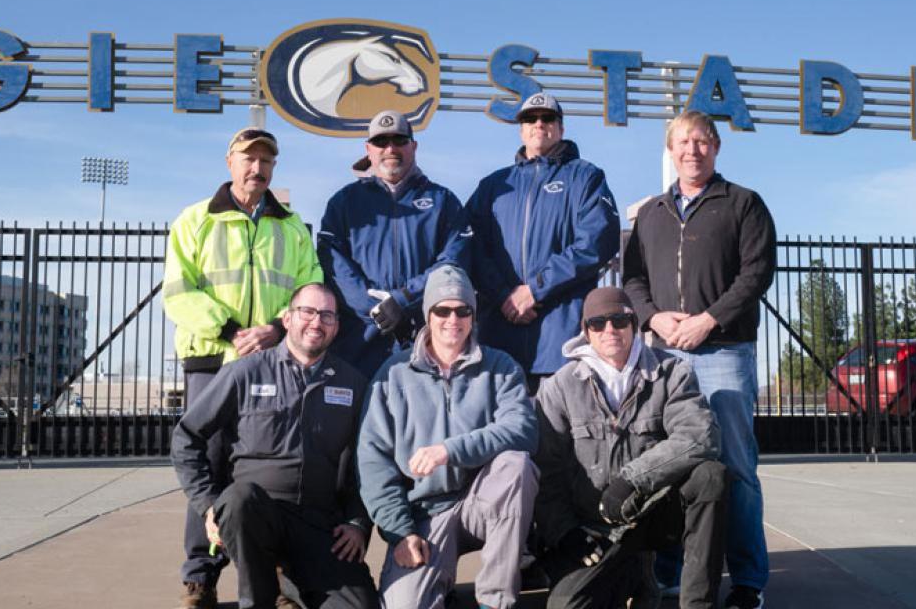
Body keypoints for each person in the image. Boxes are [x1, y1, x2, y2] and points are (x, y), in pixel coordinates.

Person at [163, 126, 325, 609]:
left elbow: (309, 286)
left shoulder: (293, 227)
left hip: (274, 359)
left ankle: (276, 575)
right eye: (248, 159)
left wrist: (276, 330)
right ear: (230, 161)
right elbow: (178, 292)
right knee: (209, 467)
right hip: (214, 361)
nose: (257, 169)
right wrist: (235, 331)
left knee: (270, 465)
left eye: (266, 161)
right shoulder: (194, 221)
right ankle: (201, 576)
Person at [622, 110, 776, 609]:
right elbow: (632, 280)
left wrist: (707, 320)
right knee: (668, 465)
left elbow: (755, 274)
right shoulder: (650, 214)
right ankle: (671, 571)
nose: (693, 150)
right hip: (663, 357)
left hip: (724, 353)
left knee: (734, 467)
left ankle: (748, 580)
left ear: (716, 148)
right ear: (671, 150)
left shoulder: (743, 205)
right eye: (683, 142)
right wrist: (652, 319)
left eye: (702, 141)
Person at [171, 283, 378, 609]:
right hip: (256, 519)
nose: (316, 322)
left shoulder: (352, 384)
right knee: (240, 499)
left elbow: (368, 461)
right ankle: (262, 597)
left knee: (361, 606)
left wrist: (357, 522)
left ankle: (289, 584)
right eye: (307, 312)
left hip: (318, 523)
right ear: (287, 319)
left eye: (327, 315)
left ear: (336, 326)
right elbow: (187, 436)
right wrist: (208, 505)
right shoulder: (245, 372)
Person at [358, 264, 539, 609]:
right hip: (426, 515)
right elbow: (372, 460)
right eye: (442, 310)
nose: (452, 319)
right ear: (428, 314)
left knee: (516, 466)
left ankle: (495, 601)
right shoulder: (392, 375)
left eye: (462, 310)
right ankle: (435, 582)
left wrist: (450, 450)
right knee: (404, 605)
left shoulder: (500, 366)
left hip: (481, 504)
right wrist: (401, 532)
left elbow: (524, 430)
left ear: (473, 315)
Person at [534, 287, 726, 609]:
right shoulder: (559, 388)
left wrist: (632, 480)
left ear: (634, 324)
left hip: (654, 513)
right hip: (594, 527)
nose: (609, 330)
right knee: (567, 605)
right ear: (586, 331)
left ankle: (697, 603)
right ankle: (635, 570)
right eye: (598, 323)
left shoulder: (672, 373)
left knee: (710, 477)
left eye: (619, 320)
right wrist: (565, 532)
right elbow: (546, 473)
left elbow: (700, 434)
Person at [466, 92, 620, 388]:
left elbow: (597, 241)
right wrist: (504, 295)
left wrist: (535, 290)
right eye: (529, 119)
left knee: (558, 432)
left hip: (559, 344)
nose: (539, 123)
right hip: (499, 341)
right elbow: (471, 247)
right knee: (501, 431)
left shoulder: (586, 177)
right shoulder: (493, 186)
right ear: (521, 129)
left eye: (547, 118)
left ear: (560, 128)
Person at [318, 110, 471, 378]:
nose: (390, 149)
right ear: (368, 149)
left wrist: (403, 300)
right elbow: (333, 263)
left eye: (399, 140)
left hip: (422, 340)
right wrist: (376, 310)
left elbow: (453, 261)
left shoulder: (443, 201)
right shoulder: (344, 202)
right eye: (381, 142)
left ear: (414, 146)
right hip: (358, 343)